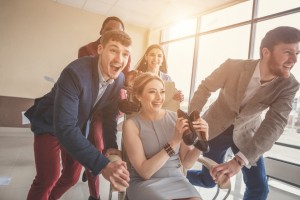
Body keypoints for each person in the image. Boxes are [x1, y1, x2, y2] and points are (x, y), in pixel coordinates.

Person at [186, 26, 300, 200]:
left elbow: (275, 124)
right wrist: (194, 118)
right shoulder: (233, 66)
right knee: (208, 180)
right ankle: (175, 175)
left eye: (297, 53)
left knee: (259, 189)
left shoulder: (289, 85)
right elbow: (205, 88)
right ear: (266, 52)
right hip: (215, 127)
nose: (294, 59)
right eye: (287, 52)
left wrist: (238, 161)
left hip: (247, 134)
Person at [25, 30, 132, 200]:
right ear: (100, 49)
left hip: (76, 126)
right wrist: (103, 165)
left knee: (72, 177)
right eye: (113, 50)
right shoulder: (74, 73)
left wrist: (111, 145)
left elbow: (110, 115)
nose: (120, 59)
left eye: (125, 53)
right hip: (50, 123)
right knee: (48, 178)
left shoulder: (119, 79)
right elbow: (64, 127)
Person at [122, 72, 209, 200]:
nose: (159, 97)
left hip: (176, 180)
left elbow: (187, 162)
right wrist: (174, 142)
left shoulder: (176, 118)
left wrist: (202, 141)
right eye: (152, 92)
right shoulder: (131, 125)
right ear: (139, 96)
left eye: (162, 92)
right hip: (145, 183)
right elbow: (145, 172)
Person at [78, 16, 130, 200]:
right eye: (110, 30)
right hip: (90, 108)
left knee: (104, 146)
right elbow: (91, 80)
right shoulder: (86, 51)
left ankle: (90, 167)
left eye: (119, 31)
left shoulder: (125, 55)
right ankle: (95, 195)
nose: (114, 33)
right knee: (96, 148)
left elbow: (122, 81)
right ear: (102, 32)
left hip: (109, 108)